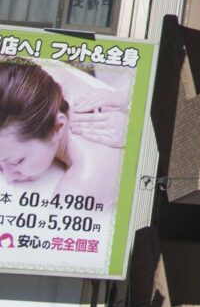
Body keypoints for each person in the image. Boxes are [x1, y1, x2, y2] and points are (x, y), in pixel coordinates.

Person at [0, 59, 127, 207]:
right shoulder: (24, 77)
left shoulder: (84, 182)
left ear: (58, 127)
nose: (9, 177)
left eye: (17, 161)